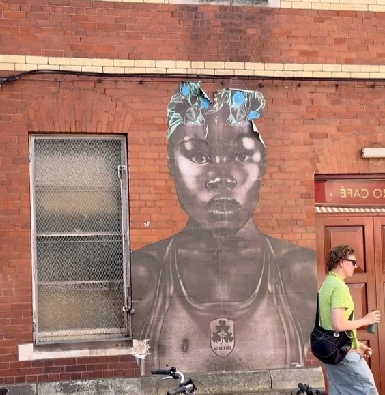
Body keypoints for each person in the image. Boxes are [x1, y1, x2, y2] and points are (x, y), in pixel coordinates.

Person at [131, 83, 317, 371]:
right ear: (171, 166)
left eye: (241, 156)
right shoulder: (144, 275)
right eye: (198, 156)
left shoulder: (297, 273)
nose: (221, 177)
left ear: (264, 164)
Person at [317, 244, 382, 395]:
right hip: (344, 357)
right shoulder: (339, 287)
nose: (356, 266)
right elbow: (338, 324)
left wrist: (356, 344)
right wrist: (366, 321)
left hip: (332, 353)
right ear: (341, 262)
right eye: (353, 262)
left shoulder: (326, 285)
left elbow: (329, 326)